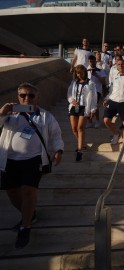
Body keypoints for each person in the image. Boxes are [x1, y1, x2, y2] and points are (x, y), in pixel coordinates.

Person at [0, 82, 64, 248]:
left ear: (37, 97)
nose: (26, 98)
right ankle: (29, 213)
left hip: (33, 159)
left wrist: (58, 150)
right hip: (10, 160)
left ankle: (25, 226)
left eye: (30, 95)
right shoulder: (9, 114)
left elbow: (56, 134)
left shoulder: (45, 116)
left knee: (28, 191)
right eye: (23, 95)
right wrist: (2, 113)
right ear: (18, 97)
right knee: (12, 193)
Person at [103, 59, 124, 144]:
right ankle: (116, 134)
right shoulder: (115, 77)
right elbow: (111, 91)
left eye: (122, 64)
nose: (121, 66)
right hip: (113, 101)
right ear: (117, 67)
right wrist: (107, 99)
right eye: (119, 64)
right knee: (106, 120)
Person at [67, 65, 97, 161]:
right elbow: (69, 93)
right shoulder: (74, 82)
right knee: (74, 129)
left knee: (80, 128)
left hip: (84, 107)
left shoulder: (90, 83)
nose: (79, 74)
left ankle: (80, 150)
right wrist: (72, 100)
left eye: (80, 72)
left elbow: (93, 97)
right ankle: (83, 145)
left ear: (84, 72)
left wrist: (92, 110)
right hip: (74, 107)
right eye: (77, 73)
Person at [87, 55, 107, 129]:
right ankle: (89, 122)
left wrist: (96, 75)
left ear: (95, 61)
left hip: (97, 90)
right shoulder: (86, 70)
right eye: (90, 61)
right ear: (88, 62)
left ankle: (97, 121)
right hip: (87, 90)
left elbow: (104, 82)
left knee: (95, 106)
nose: (92, 62)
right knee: (88, 106)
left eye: (93, 61)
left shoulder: (100, 70)